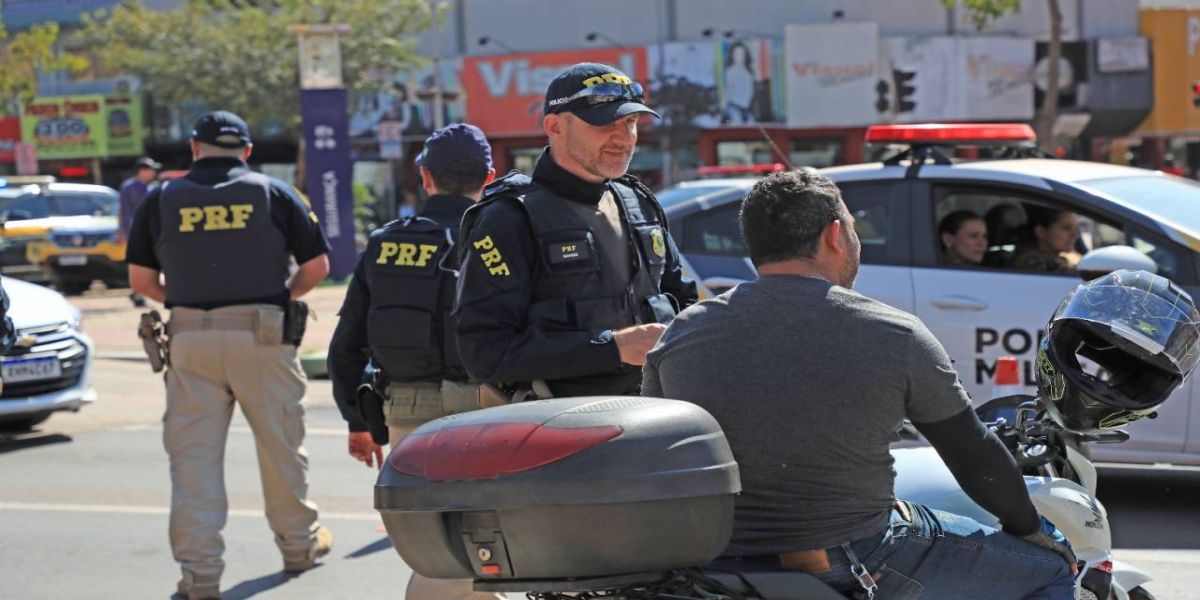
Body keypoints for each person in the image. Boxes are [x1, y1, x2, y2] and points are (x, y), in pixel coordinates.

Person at [642, 169, 1077, 599]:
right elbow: (971, 451)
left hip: (714, 563)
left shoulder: (683, 331)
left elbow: (659, 455)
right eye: (853, 227)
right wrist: (1033, 528)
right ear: (835, 234)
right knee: (1051, 570)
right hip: (854, 558)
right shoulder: (893, 332)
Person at [125, 111, 333, 600]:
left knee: (193, 461)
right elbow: (318, 265)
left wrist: (189, 305)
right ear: (247, 151)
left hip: (189, 339)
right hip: (262, 335)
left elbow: (140, 282)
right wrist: (280, 297)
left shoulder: (160, 198)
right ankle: (298, 546)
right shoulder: (274, 193)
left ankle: (200, 577)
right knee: (281, 447)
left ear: (195, 149)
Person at [327, 123, 504, 600]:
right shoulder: (502, 238)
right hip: (492, 413)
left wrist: (357, 422)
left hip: (408, 414)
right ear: (489, 176)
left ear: (425, 177)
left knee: (435, 550)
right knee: (488, 547)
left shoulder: (386, 243)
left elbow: (346, 346)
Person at [454, 63, 697, 401]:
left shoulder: (640, 203)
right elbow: (484, 352)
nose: (624, 137)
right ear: (555, 126)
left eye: (630, 123)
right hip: (561, 427)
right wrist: (612, 347)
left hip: (655, 415)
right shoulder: (510, 218)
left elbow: (685, 305)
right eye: (605, 123)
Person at [119, 157, 161, 307]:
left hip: (151, 232)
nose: (154, 172)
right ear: (142, 171)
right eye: (151, 169)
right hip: (135, 232)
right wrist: (123, 232)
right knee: (140, 263)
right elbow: (124, 212)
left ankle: (138, 293)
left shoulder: (152, 187)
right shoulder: (129, 187)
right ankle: (137, 293)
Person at [1010, 205, 1079, 273]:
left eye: (1076, 229)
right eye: (1066, 228)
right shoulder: (1035, 262)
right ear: (1041, 232)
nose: (1075, 235)